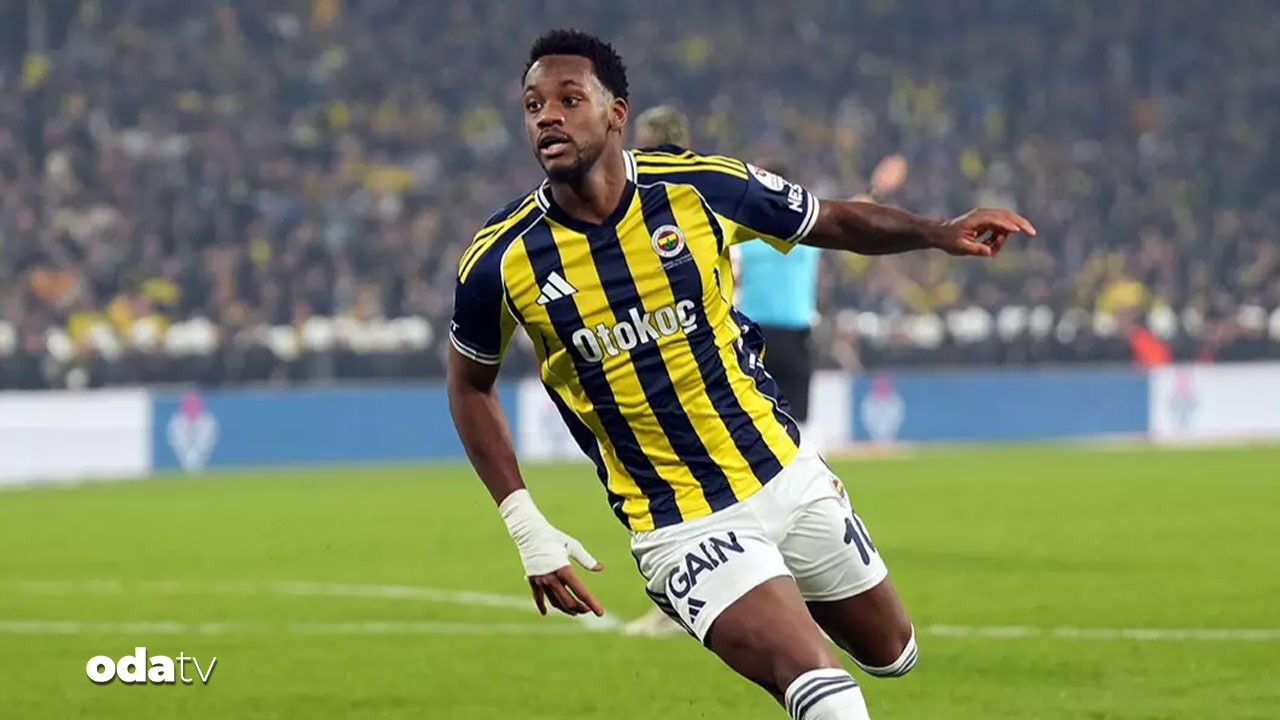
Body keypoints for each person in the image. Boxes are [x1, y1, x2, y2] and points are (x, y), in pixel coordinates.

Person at [447, 29, 1035, 720]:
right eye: (533, 104)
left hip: (783, 470)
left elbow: (832, 220)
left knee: (892, 652)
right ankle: (741, 607)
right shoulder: (500, 257)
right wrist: (525, 524)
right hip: (679, 519)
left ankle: (773, 602)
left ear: (615, 112)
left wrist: (935, 231)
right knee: (829, 697)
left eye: (569, 99)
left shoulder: (702, 187)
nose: (547, 116)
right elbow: (469, 384)